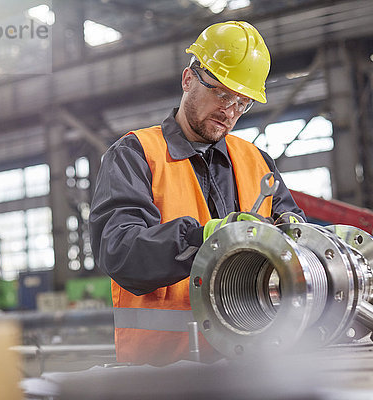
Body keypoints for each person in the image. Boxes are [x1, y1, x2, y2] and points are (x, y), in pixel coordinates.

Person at [90, 21, 305, 366]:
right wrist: (202, 239)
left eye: (242, 103)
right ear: (188, 78)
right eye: (221, 93)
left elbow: (295, 238)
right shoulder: (135, 153)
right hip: (162, 372)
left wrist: (290, 232)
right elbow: (119, 251)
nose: (229, 111)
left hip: (256, 362)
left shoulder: (256, 160)